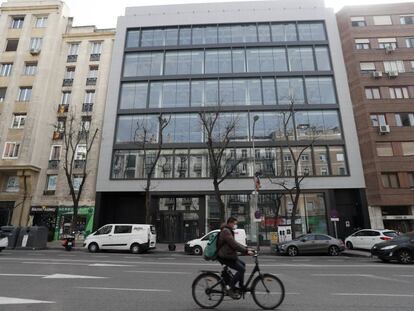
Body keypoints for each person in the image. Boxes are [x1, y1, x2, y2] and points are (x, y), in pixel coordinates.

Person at [217, 217, 254, 298]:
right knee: (241, 269)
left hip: (229, 255)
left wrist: (247, 249)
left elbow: (235, 243)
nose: (235, 225)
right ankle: (229, 287)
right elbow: (234, 244)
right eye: (234, 223)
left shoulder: (228, 230)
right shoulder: (226, 231)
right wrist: (246, 251)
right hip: (225, 256)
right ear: (230, 223)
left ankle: (241, 286)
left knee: (243, 264)